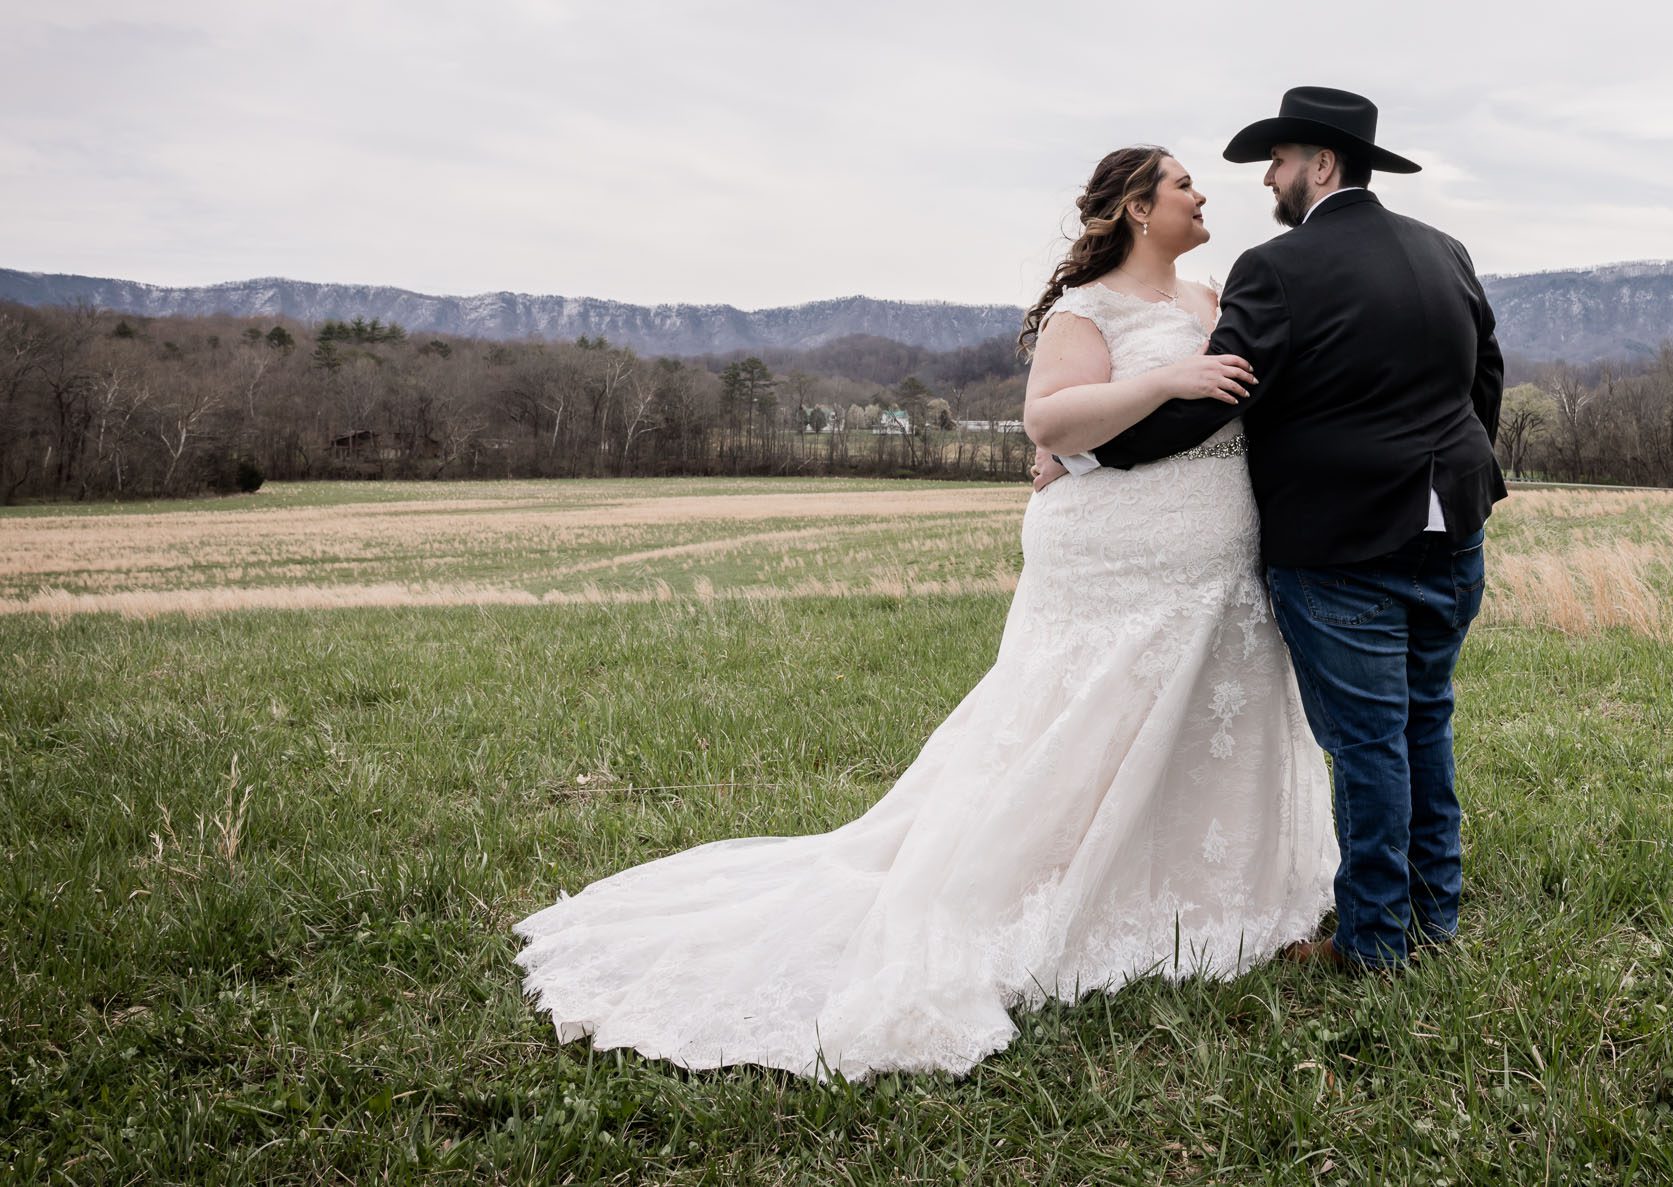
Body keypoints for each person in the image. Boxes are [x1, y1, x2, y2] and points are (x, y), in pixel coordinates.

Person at [511, 145, 1337, 1082]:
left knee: (1202, 713)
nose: (1202, 194)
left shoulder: (1213, 300)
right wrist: (1162, 383)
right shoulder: (1086, 310)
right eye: (1183, 182)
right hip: (1116, 555)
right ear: (1141, 209)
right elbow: (1049, 421)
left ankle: (1209, 887)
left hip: (1217, 549)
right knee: (1089, 722)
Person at [1050, 86, 1505, 971]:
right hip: (1455, 532)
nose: (1268, 178)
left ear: (1321, 165)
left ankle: (1375, 945)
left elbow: (1213, 395)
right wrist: (1457, 473)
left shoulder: (1277, 269)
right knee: (1426, 721)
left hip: (1344, 544)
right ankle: (1435, 915)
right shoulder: (1445, 251)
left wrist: (1089, 453)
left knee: (1370, 742)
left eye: (1280, 160)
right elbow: (1482, 378)